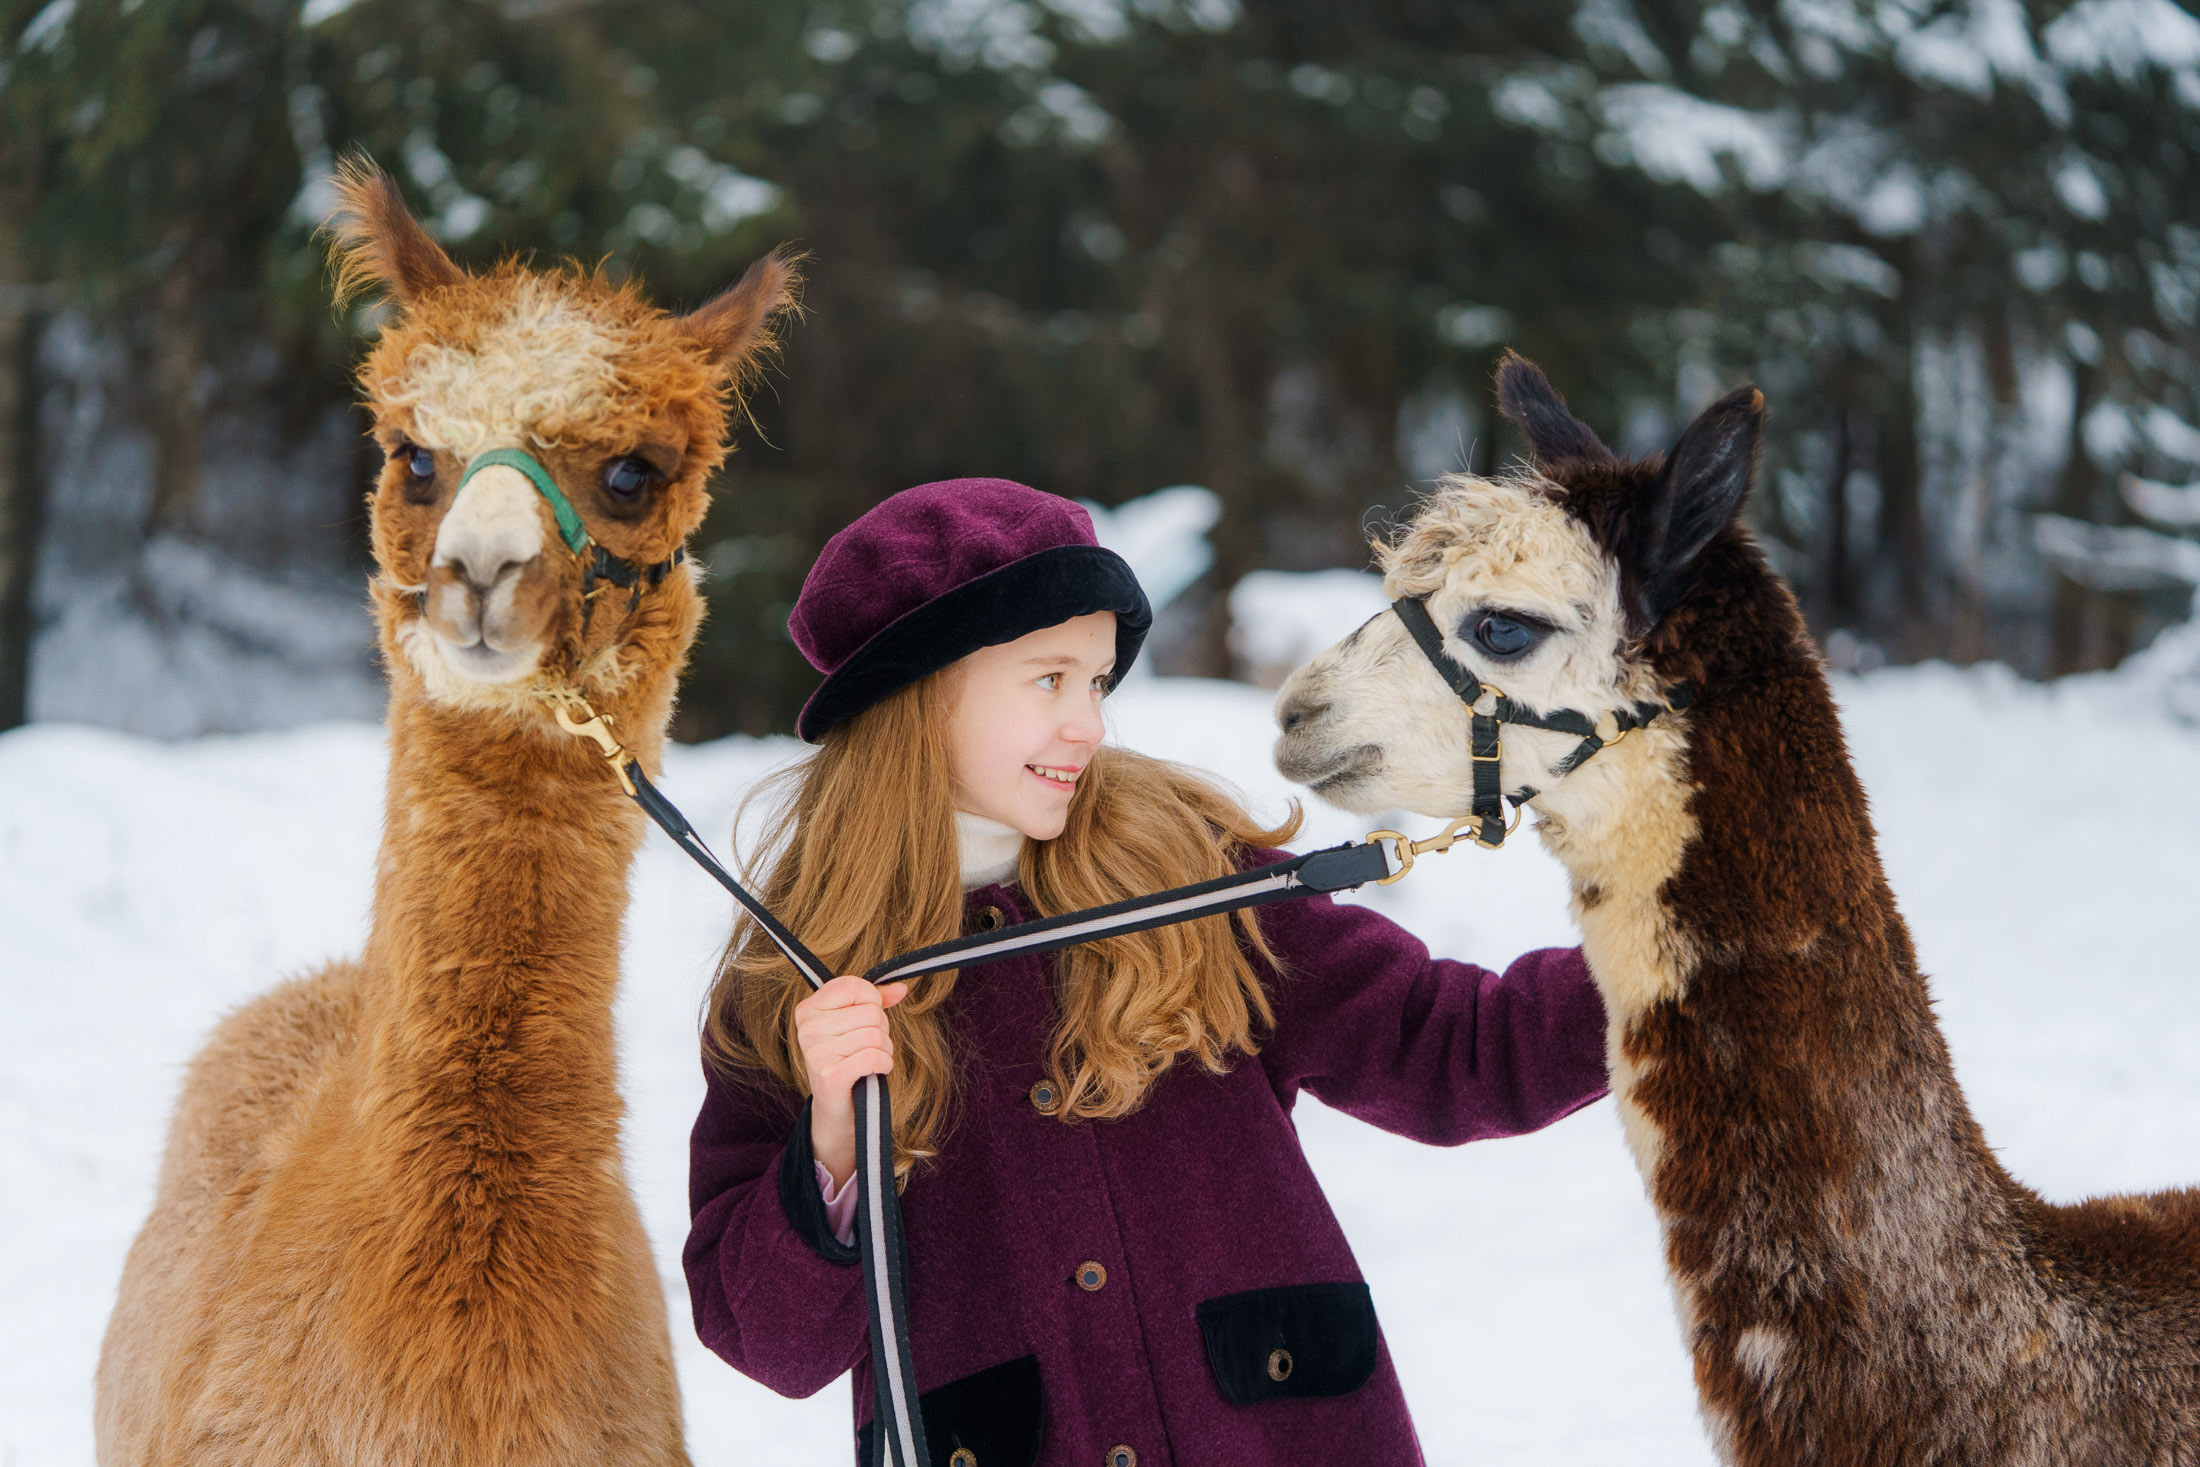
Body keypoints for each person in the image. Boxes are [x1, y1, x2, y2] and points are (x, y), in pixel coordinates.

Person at [684, 478, 1609, 1467]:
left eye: (1095, 683)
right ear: (918, 695)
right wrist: (831, 1142)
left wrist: (1681, 960)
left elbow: (1454, 1048)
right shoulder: (793, 975)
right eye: (1048, 680)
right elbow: (769, 1342)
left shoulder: (1185, 868)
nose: (1087, 722)